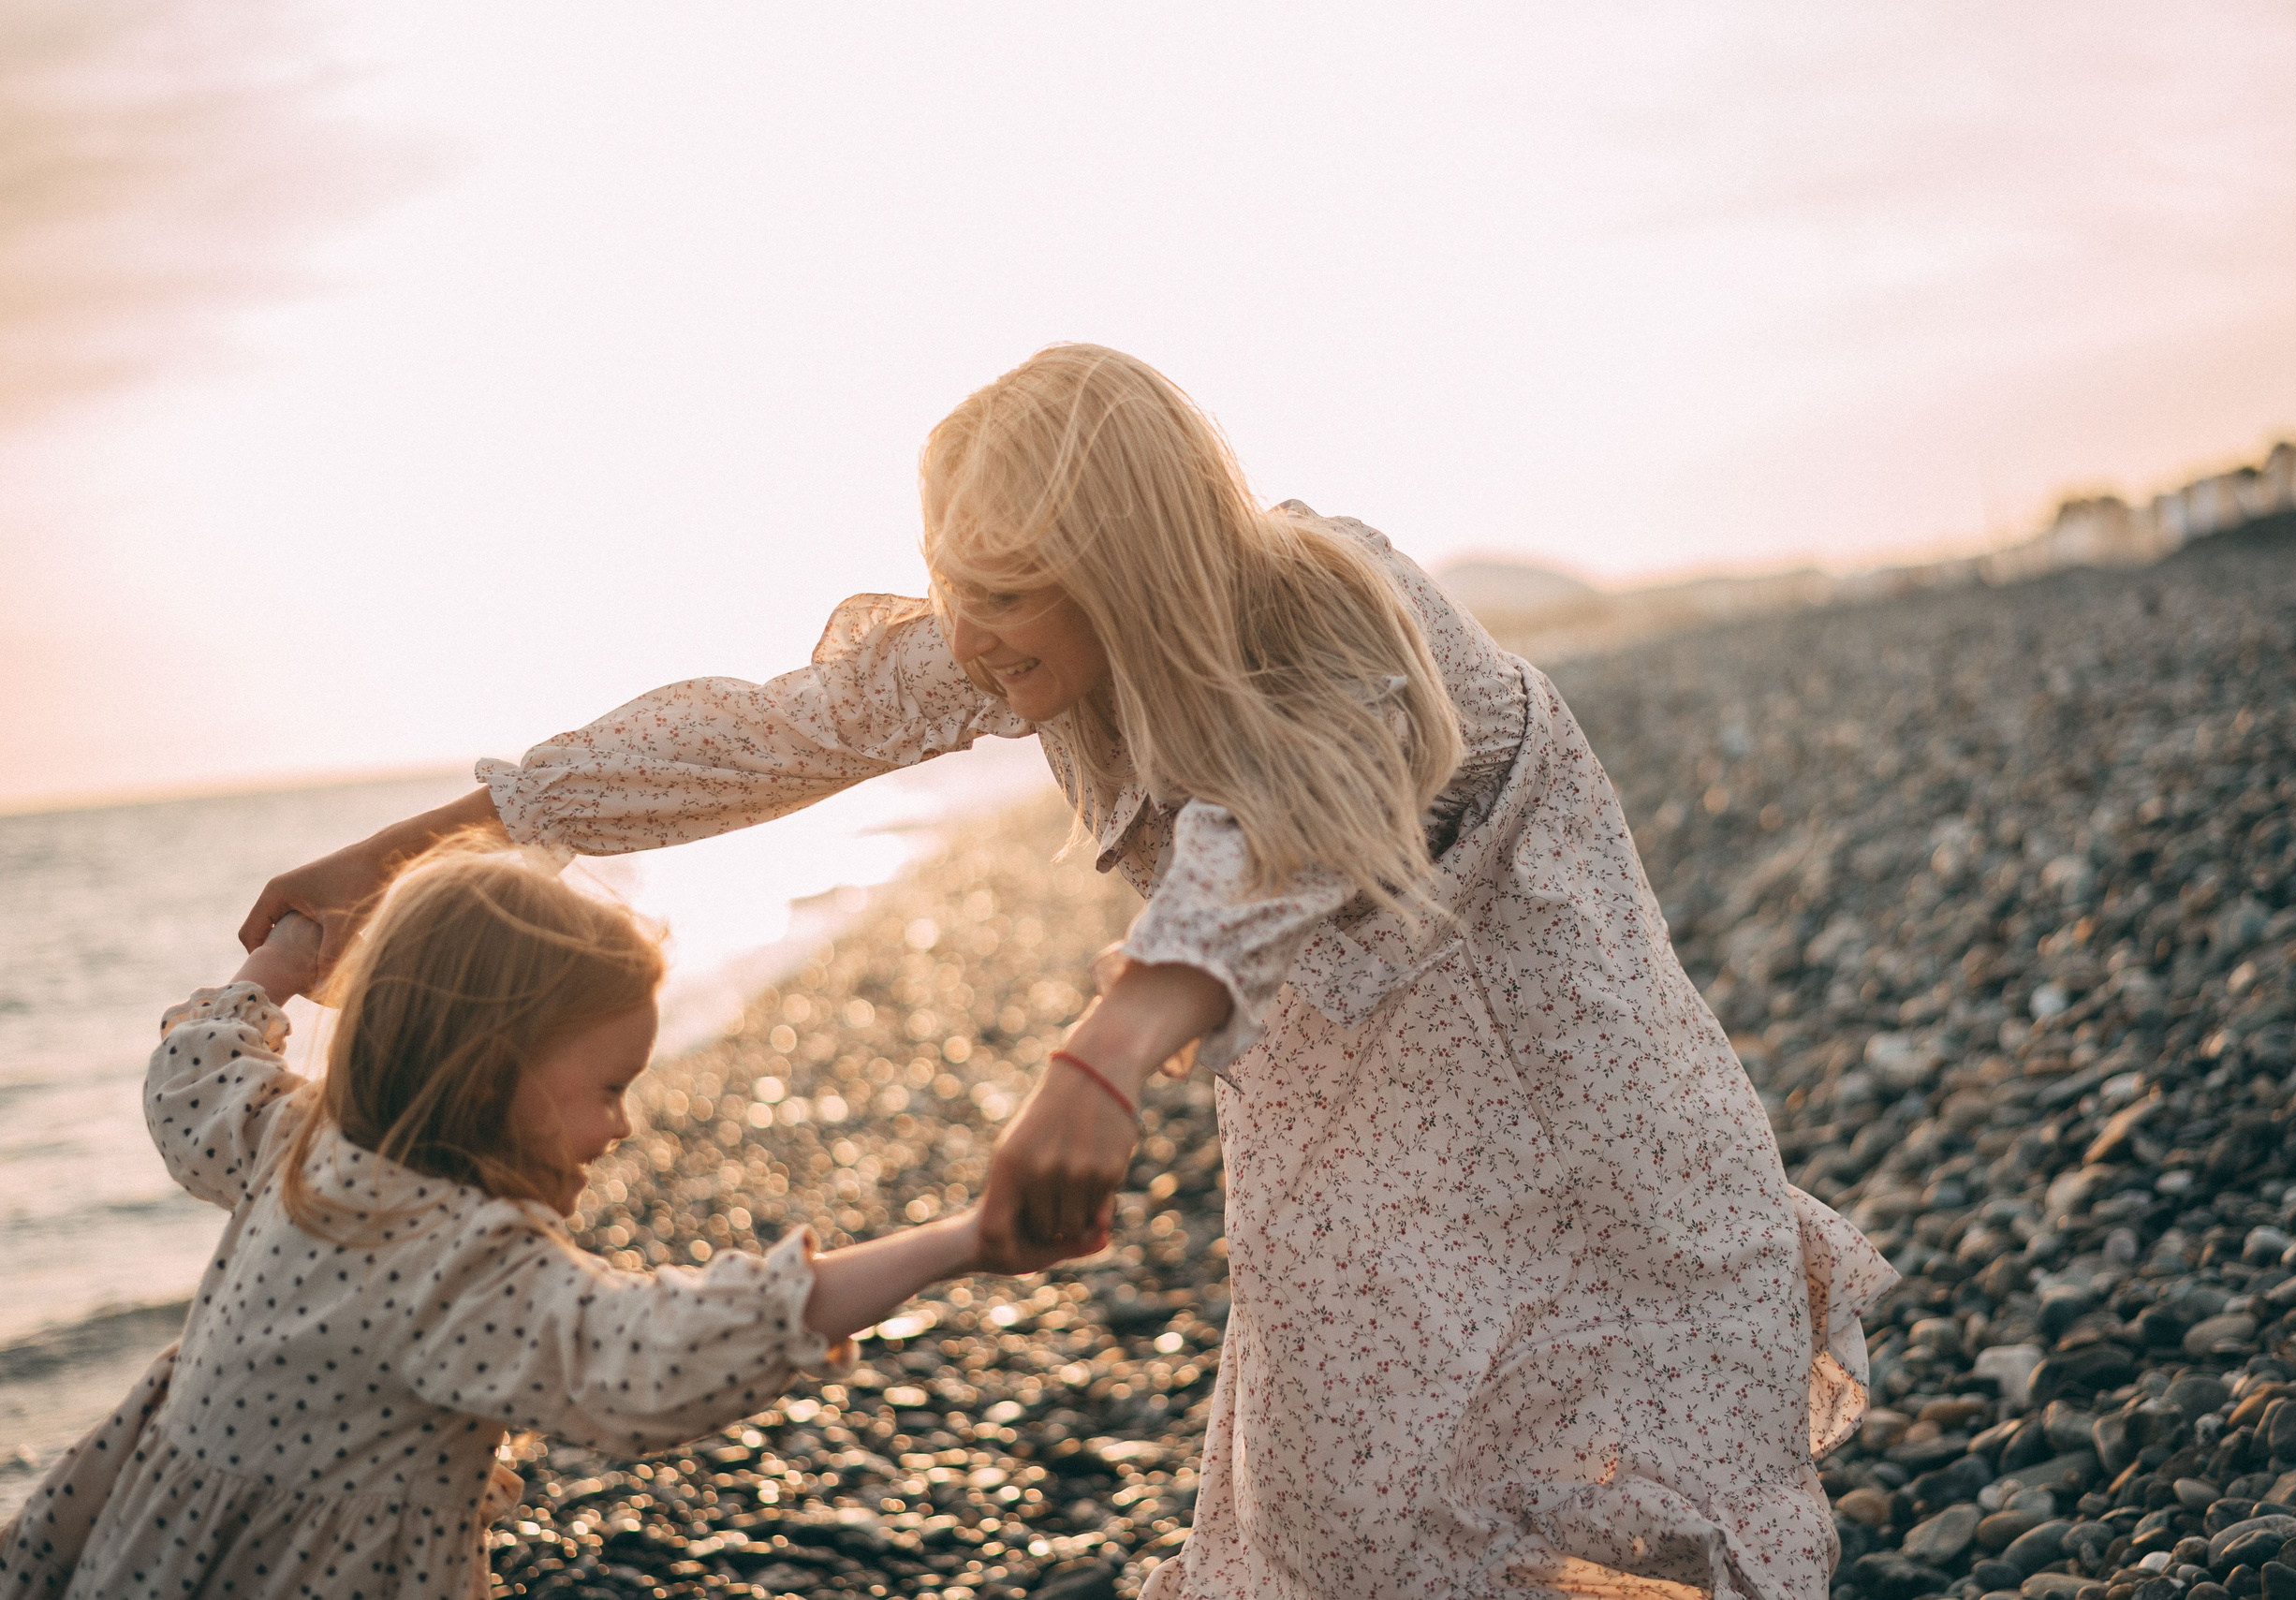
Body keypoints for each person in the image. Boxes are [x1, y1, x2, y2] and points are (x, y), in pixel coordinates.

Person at [238, 344, 1895, 1598]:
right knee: (1343, 1528)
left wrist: (1103, 1053)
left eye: (1007, 596)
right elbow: (767, 730)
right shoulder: (1032, 651)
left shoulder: (1344, 604)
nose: (969, 638)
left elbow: (1289, 835)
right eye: (958, 591)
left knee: (1628, 1496)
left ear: (1119, 561)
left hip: (1568, 1109)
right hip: (1339, 1131)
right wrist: (414, 847)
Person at [1, 841, 1090, 1600]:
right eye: (610, 1085)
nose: (624, 1123)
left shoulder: (292, 1144)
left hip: (145, 1546)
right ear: (490, 1070)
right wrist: (962, 1242)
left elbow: (193, 1076)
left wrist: (278, 963)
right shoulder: (458, 1268)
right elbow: (656, 1355)